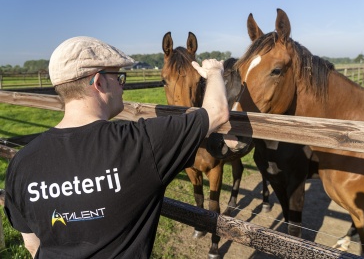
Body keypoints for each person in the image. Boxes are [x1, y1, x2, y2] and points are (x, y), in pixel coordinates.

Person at [4, 36, 229, 258]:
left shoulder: (21, 164)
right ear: (98, 82)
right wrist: (215, 72)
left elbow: (33, 246)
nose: (123, 86)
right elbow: (216, 113)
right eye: (119, 78)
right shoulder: (141, 142)